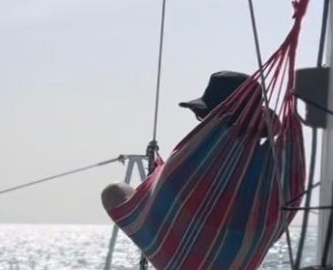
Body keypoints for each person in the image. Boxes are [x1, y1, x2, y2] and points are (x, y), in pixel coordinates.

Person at [101, 70, 278, 212]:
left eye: (202, 115)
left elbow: (173, 193)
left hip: (186, 232)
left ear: (216, 116)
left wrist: (156, 175)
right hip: (243, 237)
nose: (199, 119)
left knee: (113, 191)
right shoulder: (265, 158)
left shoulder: (206, 150)